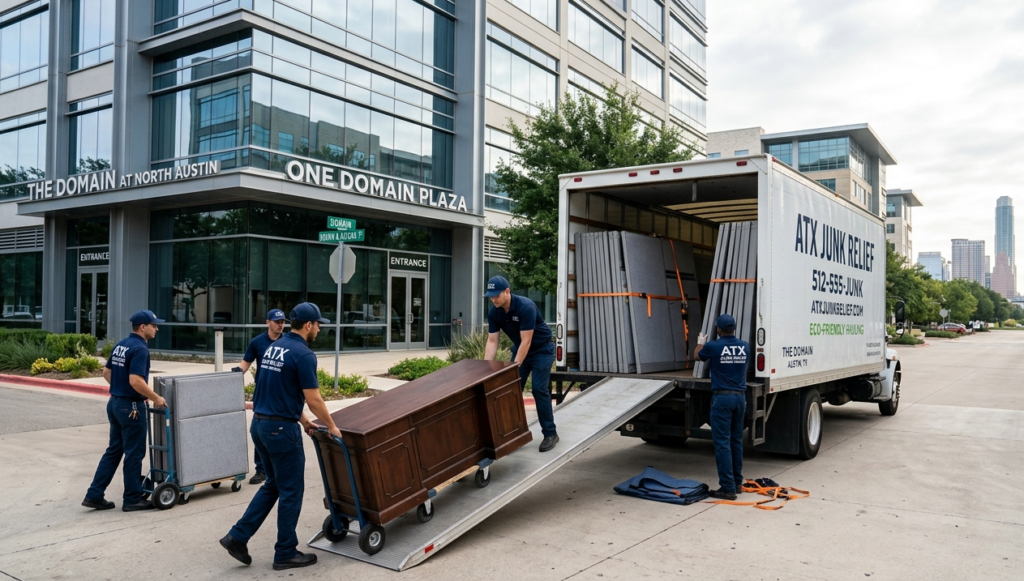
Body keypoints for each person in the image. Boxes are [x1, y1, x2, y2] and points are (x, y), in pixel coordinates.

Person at [219, 302, 342, 571]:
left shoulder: (274, 347)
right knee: (291, 490)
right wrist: (331, 426)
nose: (320, 329)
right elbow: (314, 398)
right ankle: (285, 551)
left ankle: (237, 537)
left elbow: (280, 390)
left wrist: (305, 421)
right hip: (280, 431)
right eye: (318, 324)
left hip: (261, 425)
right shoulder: (304, 354)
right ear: (308, 325)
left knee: (273, 485)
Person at [82, 309, 167, 512]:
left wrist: (121, 390)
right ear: (142, 327)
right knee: (134, 454)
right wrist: (156, 397)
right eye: (154, 325)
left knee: (114, 451)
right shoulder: (140, 349)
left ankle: (94, 494)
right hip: (132, 407)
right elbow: (136, 381)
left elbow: (107, 372)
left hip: (115, 403)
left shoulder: (121, 345)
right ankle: (132, 498)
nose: (157, 328)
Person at [483, 276, 559, 452]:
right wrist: (485, 368)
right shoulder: (494, 312)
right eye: (490, 296)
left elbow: (527, 341)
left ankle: (550, 434)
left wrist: (514, 367)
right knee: (510, 391)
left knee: (539, 389)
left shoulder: (526, 307)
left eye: (496, 295)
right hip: (520, 350)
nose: (493, 299)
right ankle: (513, 435)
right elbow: (492, 341)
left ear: (507, 291)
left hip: (541, 349)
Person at [695, 314, 751, 501]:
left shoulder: (713, 346)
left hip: (722, 400)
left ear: (718, 329)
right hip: (740, 399)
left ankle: (727, 488)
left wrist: (700, 343)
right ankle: (737, 483)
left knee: (722, 443)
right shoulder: (745, 346)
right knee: (736, 442)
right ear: (734, 328)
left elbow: (697, 356)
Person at [234, 309, 287, 485]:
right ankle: (261, 470)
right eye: (277, 321)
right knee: (260, 428)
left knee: (281, 429)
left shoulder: (288, 342)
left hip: (281, 392)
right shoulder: (257, 342)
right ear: (267, 322)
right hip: (262, 392)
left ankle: (279, 468)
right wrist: (233, 376)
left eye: (283, 322)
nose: (280, 325)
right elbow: (245, 364)